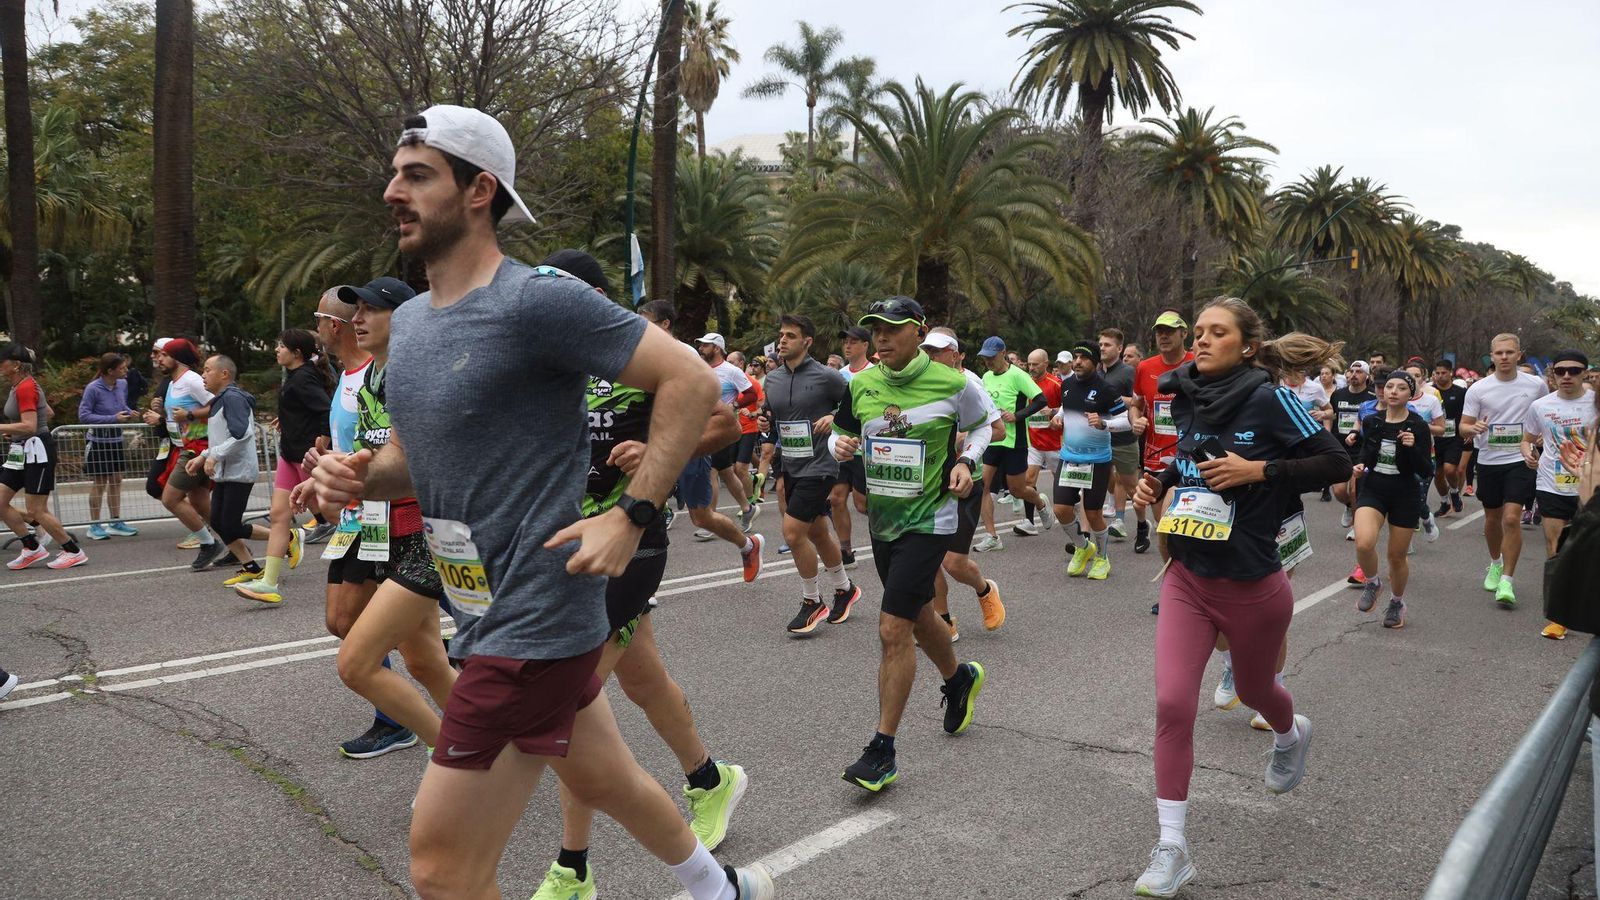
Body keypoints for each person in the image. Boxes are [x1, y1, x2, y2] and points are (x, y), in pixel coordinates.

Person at [312, 104, 773, 899]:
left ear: (479, 188)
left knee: (442, 869)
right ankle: (718, 889)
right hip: (476, 605)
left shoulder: (537, 301)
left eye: (417, 175)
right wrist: (358, 474)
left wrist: (631, 513)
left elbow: (691, 382)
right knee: (607, 777)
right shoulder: (413, 324)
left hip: (535, 617)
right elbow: (414, 459)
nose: (394, 190)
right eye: (395, 173)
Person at [526, 249, 750, 900]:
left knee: (570, 702)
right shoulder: (555, 365)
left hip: (634, 538)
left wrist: (657, 451)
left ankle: (572, 869)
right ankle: (711, 779)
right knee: (645, 681)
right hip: (571, 539)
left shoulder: (640, 351)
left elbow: (724, 421)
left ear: (594, 299)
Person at [1129, 301, 1350, 896]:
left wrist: (1260, 472)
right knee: (1173, 705)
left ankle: (1288, 733)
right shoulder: (1186, 396)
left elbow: (1336, 461)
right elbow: (1187, 464)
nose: (1200, 341)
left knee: (1256, 690)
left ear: (1247, 346)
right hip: (1188, 577)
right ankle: (1172, 846)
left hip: (1253, 585)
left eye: (1215, 333)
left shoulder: (1269, 398)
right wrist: (1162, 481)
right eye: (1197, 333)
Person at [828, 296, 991, 793]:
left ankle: (882, 749)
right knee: (919, 611)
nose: (881, 336)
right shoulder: (861, 384)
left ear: (917, 331)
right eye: (874, 328)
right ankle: (958, 676)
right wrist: (841, 446)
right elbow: (842, 433)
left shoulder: (954, 383)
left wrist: (967, 460)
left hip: (931, 519)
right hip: (885, 521)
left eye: (892, 328)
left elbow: (986, 425)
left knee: (893, 626)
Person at [326, 275, 456, 798]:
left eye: (371, 310)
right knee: (425, 660)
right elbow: (376, 456)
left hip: (433, 533)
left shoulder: (414, 373)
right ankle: (490, 742)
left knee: (355, 663)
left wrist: (352, 476)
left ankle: (458, 759)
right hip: (388, 529)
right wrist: (333, 472)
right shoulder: (374, 378)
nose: (357, 318)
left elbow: (430, 459)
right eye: (354, 311)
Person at [292, 285, 417, 759]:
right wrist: (322, 466)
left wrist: (349, 473)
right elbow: (358, 443)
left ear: (335, 325)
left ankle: (402, 722)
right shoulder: (351, 378)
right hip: (358, 512)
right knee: (344, 622)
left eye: (320, 318)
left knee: (356, 625)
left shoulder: (384, 371)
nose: (316, 327)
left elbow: (397, 450)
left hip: (388, 512)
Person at [645, 304, 764, 583]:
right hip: (656, 446)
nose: (639, 328)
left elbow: (743, 398)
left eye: (645, 322)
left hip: (692, 442)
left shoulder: (685, 356)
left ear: (664, 324)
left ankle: (749, 544)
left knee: (702, 516)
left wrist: (732, 407)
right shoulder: (643, 353)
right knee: (643, 510)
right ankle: (645, 585)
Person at [759, 313, 861, 635]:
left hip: (821, 464)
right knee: (816, 532)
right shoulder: (772, 379)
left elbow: (855, 405)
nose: (783, 340)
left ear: (807, 341)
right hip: (791, 464)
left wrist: (834, 416)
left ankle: (811, 601)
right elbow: (771, 415)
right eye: (781, 334)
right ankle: (845, 589)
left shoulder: (826, 376)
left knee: (792, 533)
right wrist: (766, 425)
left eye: (790, 335)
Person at [921, 329, 1006, 638]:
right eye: (927, 351)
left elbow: (998, 431)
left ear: (955, 355)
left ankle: (984, 589)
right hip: (928, 485)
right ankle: (943, 620)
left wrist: (962, 440)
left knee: (954, 562)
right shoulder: (919, 385)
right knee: (929, 560)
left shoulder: (970, 384)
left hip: (965, 482)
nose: (930, 357)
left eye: (938, 351)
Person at [233, 330, 328, 603]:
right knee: (278, 514)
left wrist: (321, 442)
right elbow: (305, 408)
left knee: (336, 516)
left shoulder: (304, 377)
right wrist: (286, 418)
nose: (276, 350)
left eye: (281, 346)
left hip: (305, 457)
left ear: (296, 353)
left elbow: (326, 410)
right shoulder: (296, 376)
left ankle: (380, 571)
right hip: (289, 454)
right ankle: (269, 583)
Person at [1460, 333, 1549, 608]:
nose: (1505, 357)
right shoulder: (1478, 389)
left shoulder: (1536, 385)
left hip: (1519, 459)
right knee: (1492, 519)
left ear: (1519, 354)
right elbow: (1463, 425)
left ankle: (1507, 581)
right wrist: (1472, 429)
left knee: (1511, 518)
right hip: (1488, 460)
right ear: (1492, 355)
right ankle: (1495, 563)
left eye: (1510, 352)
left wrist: (1542, 436)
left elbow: (1544, 413)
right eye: (1499, 353)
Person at [1351, 371, 1434, 629]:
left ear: (1411, 394)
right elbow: (1366, 451)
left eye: (1401, 387)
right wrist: (1359, 465)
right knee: (1364, 543)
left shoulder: (1418, 426)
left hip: (1405, 492)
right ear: (1383, 391)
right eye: (1389, 387)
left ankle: (1397, 602)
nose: (1394, 391)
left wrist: (1412, 447)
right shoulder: (1372, 421)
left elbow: (1425, 470)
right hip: (1374, 488)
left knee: (1396, 557)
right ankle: (1373, 583)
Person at [1522, 351, 1594, 640]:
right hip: (1551, 484)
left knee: (1589, 550)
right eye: (1561, 371)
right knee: (1555, 550)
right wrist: (1528, 454)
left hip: (1590, 487)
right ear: (1552, 374)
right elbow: (1527, 440)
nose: (1566, 376)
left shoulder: (1596, 404)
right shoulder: (1540, 406)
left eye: (1574, 371)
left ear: (1585, 373)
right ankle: (1557, 617)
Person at [187, 355, 272, 586]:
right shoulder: (220, 400)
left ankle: (286, 538)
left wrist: (214, 455)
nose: (202, 375)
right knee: (219, 521)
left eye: (207, 370)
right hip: (225, 472)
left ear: (224, 374)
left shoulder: (233, 398)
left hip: (239, 472)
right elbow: (222, 438)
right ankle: (252, 568)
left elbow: (242, 435)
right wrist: (203, 456)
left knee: (231, 524)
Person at [0, 344, 86, 569]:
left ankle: (73, 551)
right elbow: (47, 412)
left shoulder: (26, 387)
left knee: (37, 509)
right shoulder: (20, 385)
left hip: (37, 450)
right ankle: (32, 547)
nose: (0, 365)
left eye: (3, 361)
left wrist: (10, 427)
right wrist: (14, 429)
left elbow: (30, 425)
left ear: (16, 364)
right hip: (21, 450)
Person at [1132, 311, 1194, 612]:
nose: (1164, 336)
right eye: (1159, 331)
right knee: (1165, 532)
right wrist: (1136, 421)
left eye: (1170, 330)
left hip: (1194, 459)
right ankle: (1176, 588)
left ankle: (1186, 591)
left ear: (1184, 333)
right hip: (1157, 460)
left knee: (1179, 525)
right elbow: (1137, 405)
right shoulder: (1145, 368)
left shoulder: (1199, 364)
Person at [1053, 340, 1130, 581]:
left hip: (1096, 459)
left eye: (1083, 358)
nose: (1077, 362)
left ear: (1095, 363)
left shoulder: (1106, 390)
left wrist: (1104, 423)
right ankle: (1083, 547)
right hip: (1069, 457)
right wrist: (1057, 416)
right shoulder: (1066, 385)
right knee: (1061, 509)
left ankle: (1102, 558)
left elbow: (1126, 420)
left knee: (1093, 513)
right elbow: (1067, 408)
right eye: (1075, 357)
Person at [148, 338, 228, 570]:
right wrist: (162, 414)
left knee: (170, 498)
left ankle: (208, 543)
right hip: (186, 447)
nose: (158, 359)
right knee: (200, 503)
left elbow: (219, 405)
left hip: (199, 447)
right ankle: (235, 545)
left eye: (163, 355)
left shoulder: (192, 380)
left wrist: (190, 415)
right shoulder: (174, 382)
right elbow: (178, 415)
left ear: (177, 357)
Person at [974, 336, 1050, 551]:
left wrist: (1017, 416)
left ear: (1002, 353)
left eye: (991, 357)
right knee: (984, 486)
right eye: (984, 358)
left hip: (1014, 440)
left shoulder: (1018, 375)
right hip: (992, 438)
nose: (988, 362)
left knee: (1017, 490)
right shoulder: (986, 377)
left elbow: (1041, 400)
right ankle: (992, 537)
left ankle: (1040, 503)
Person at [693, 333, 761, 535]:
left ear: (716, 348)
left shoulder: (731, 371)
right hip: (703, 427)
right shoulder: (700, 368)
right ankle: (748, 508)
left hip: (723, 429)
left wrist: (734, 404)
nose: (701, 349)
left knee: (710, 471)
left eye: (705, 345)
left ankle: (711, 521)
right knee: (726, 472)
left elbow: (751, 394)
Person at [78, 352, 141, 540]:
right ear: (110, 371)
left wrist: (130, 413)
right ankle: (94, 525)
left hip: (115, 440)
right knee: (99, 482)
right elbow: (84, 416)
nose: (126, 371)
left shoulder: (122, 384)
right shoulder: (93, 388)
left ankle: (115, 521)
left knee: (116, 480)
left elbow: (120, 407)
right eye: (122, 368)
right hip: (98, 441)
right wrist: (113, 418)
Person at [831, 326, 875, 565]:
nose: (847, 346)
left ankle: (887, 536)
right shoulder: (838, 375)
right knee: (836, 498)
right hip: (841, 446)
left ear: (866, 345)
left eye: (853, 341)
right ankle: (846, 551)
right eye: (845, 341)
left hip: (864, 450)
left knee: (861, 504)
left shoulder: (876, 373)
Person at [1330, 361, 1375, 559]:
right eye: (1352, 371)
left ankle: (1358, 526)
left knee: (1356, 489)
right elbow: (1331, 416)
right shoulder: (1338, 394)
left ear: (1367, 376)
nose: (1354, 374)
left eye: (1359, 372)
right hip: (1339, 448)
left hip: (1362, 450)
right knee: (1339, 490)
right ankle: (1348, 506)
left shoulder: (1371, 398)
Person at [1099, 328, 1140, 539]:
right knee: (1109, 483)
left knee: (1131, 486)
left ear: (1119, 348)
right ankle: (1118, 520)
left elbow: (1138, 402)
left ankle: (1140, 523)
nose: (1102, 348)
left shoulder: (1128, 372)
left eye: (1107, 345)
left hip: (1124, 438)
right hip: (1100, 438)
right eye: (1101, 345)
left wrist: (1113, 398)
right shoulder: (1097, 373)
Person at [1018, 348, 1062, 536]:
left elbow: (1068, 407)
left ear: (1046, 363)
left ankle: (1071, 507)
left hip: (1055, 442)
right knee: (1028, 480)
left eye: (1036, 364)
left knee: (1061, 482)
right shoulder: (1025, 382)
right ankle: (1029, 521)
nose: (1032, 367)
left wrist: (1053, 412)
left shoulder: (1056, 384)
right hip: (1033, 440)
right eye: (1029, 364)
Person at [1432, 360, 1469, 517]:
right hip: (1435, 438)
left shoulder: (1460, 392)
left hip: (1453, 437)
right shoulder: (1430, 392)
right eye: (1437, 373)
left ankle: (1454, 491)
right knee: (1438, 474)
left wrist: (1468, 431)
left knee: (1450, 469)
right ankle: (1445, 502)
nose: (1440, 376)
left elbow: (1469, 413)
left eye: (1444, 373)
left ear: (1450, 373)